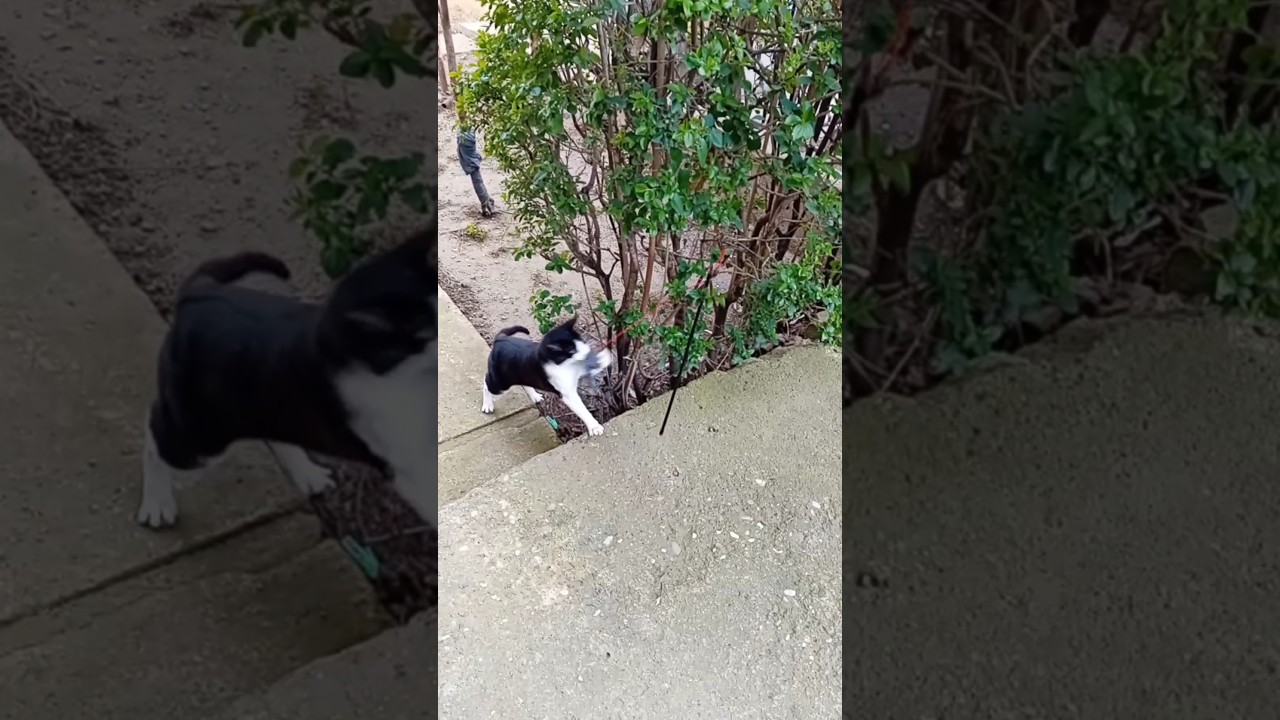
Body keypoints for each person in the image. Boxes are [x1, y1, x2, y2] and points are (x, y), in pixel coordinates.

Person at [457, 122, 496, 218]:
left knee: (476, 176)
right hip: (468, 133)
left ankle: (486, 204)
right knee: (476, 176)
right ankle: (487, 202)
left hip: (465, 134)